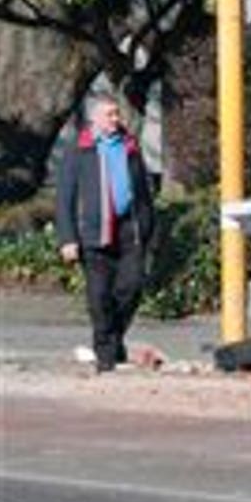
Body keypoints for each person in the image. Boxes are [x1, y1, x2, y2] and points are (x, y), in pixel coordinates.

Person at [55, 94, 156, 374]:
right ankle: (107, 356)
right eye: (110, 114)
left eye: (117, 114)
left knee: (132, 288)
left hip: (129, 230)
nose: (116, 119)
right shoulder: (79, 148)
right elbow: (64, 197)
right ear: (94, 119)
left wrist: (148, 229)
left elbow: (144, 193)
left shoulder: (129, 146)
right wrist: (67, 238)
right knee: (99, 297)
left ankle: (113, 339)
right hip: (93, 234)